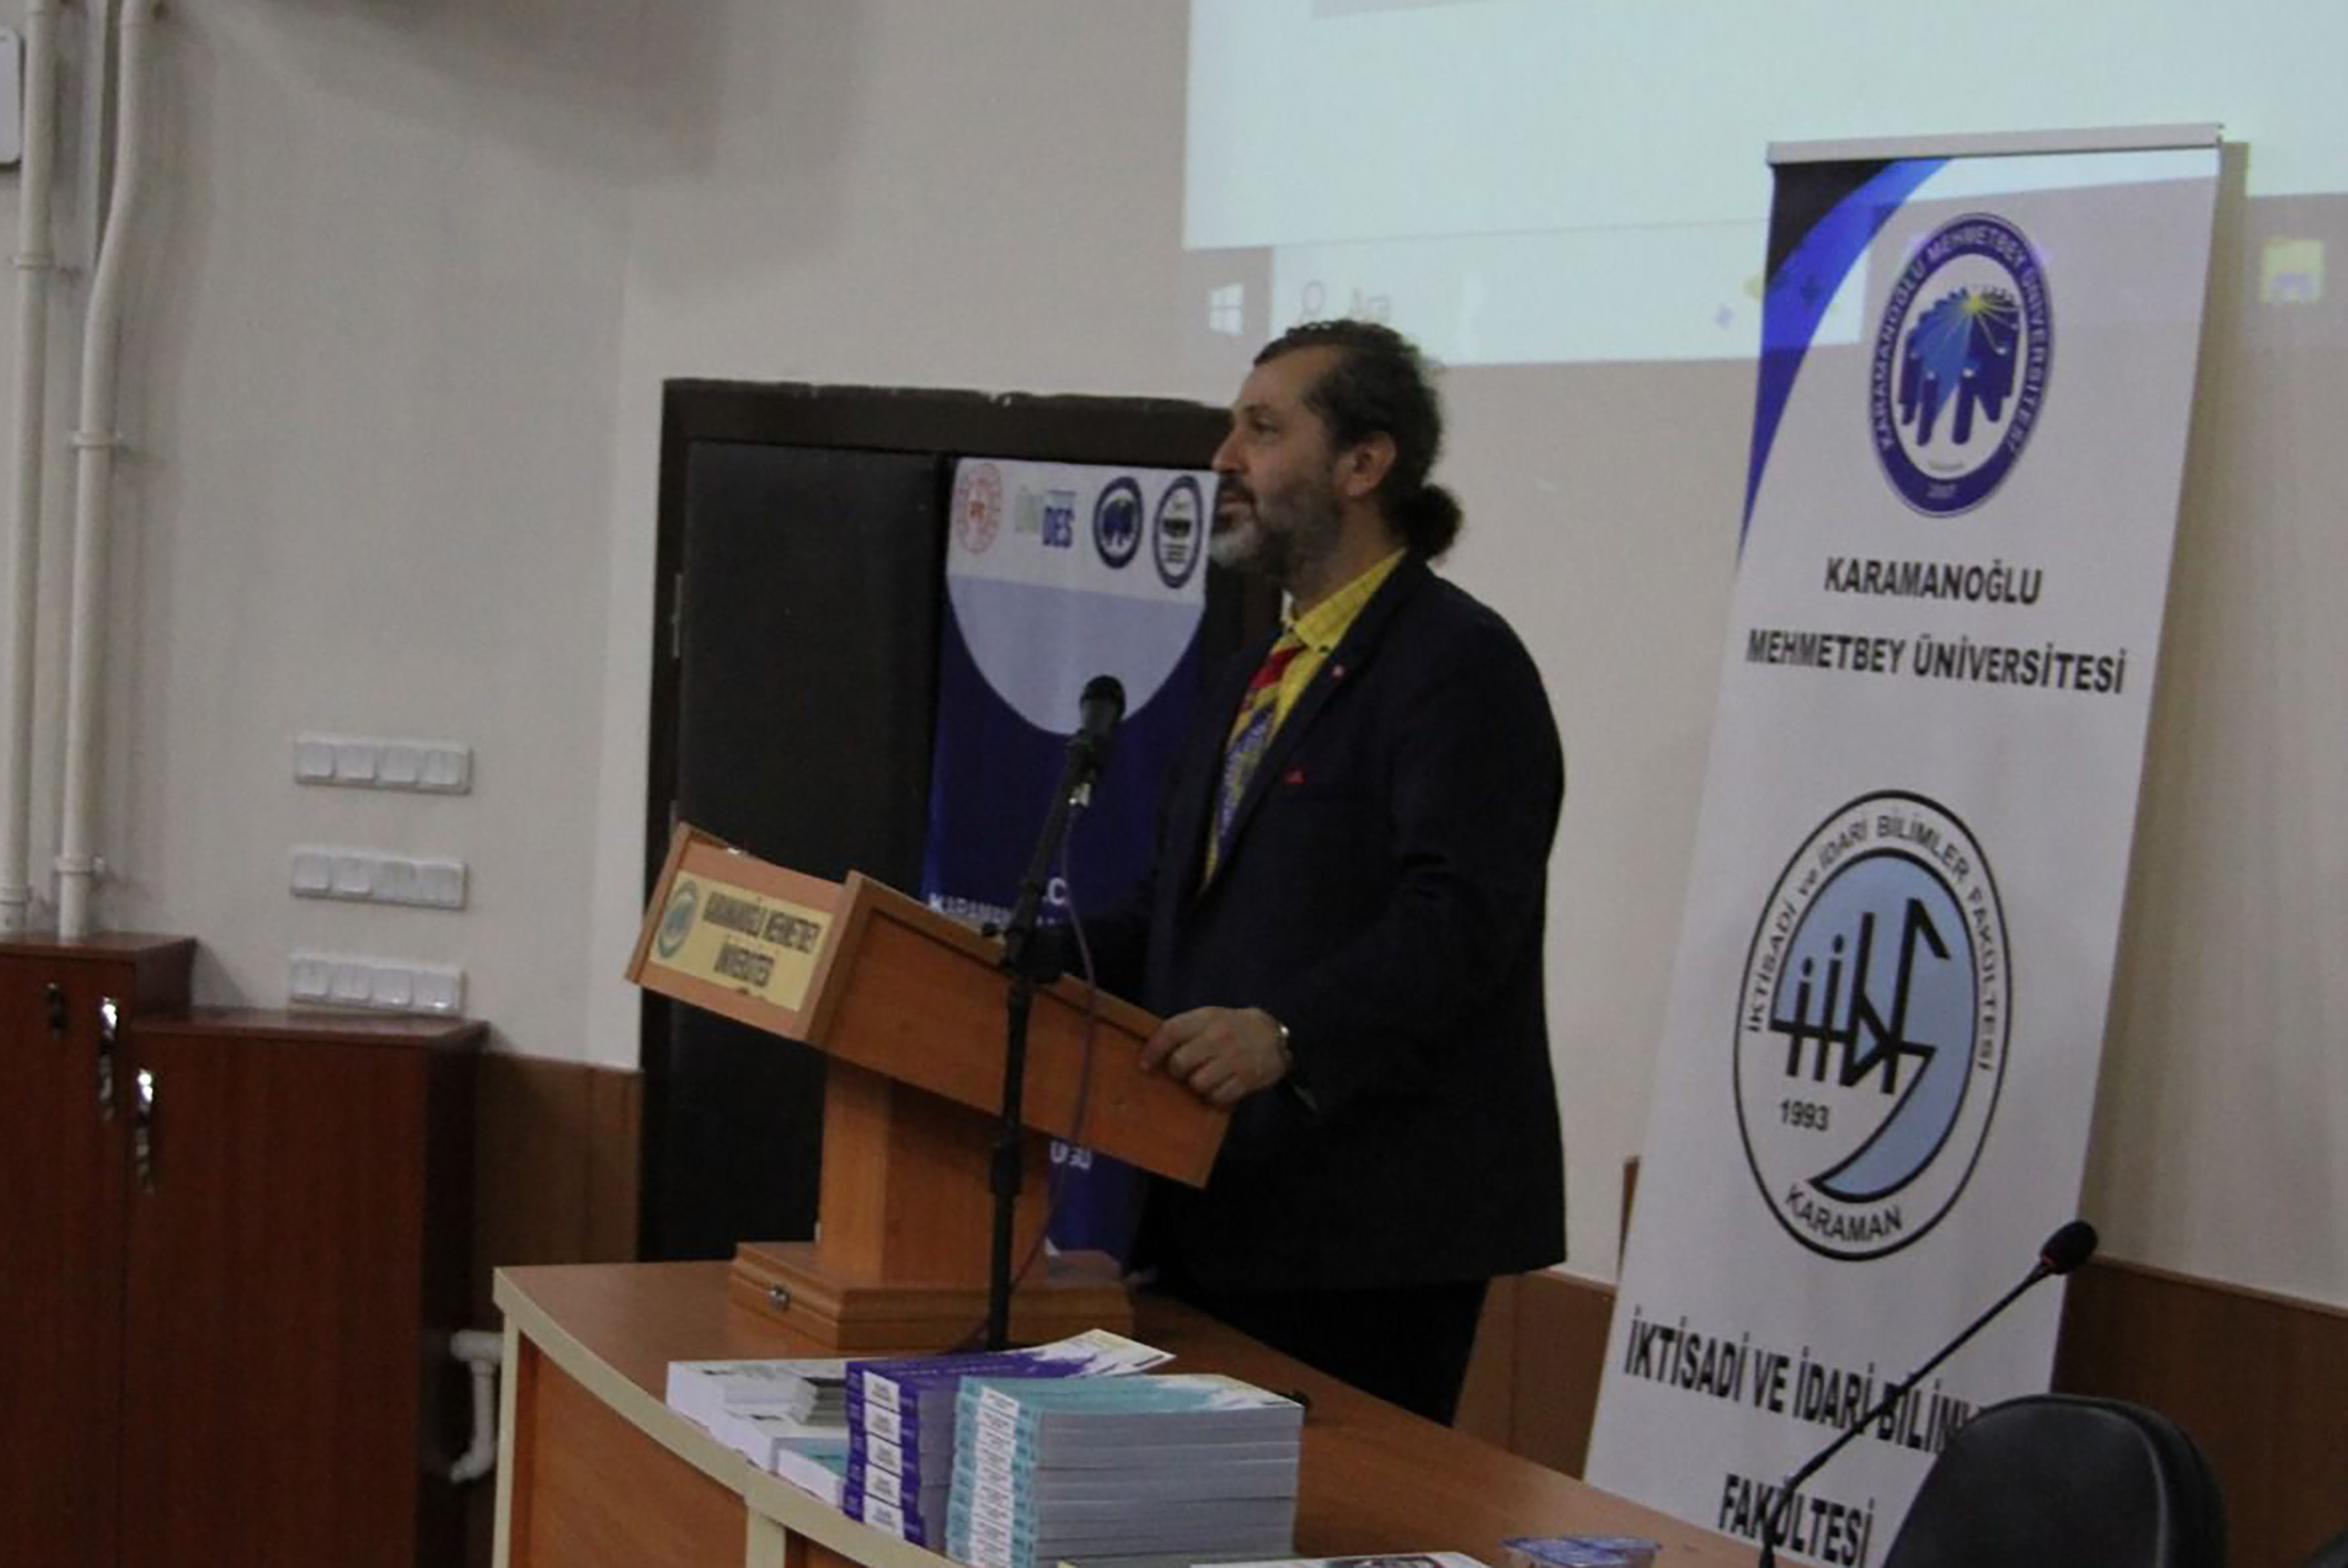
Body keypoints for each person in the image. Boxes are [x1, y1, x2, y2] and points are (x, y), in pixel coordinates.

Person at [1101, 319, 1567, 1424]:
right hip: (1214, 1195)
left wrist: (1287, 1030)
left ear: (1364, 463)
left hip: (1370, 1229)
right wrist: (1009, 962)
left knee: (1332, 1513)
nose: (1224, 458)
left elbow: (1461, 917)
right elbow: (1177, 912)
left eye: (1262, 430)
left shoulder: (1459, 663)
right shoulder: (1249, 675)